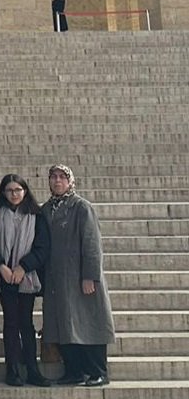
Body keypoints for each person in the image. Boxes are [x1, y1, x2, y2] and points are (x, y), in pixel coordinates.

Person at [42, 164, 115, 387]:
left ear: (70, 180)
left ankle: (97, 371)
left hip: (79, 277)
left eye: (62, 177)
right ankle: (73, 371)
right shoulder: (46, 209)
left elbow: (92, 243)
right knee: (64, 325)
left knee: (89, 323)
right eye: (53, 177)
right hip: (57, 279)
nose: (57, 181)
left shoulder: (81, 207)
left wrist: (90, 276)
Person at [0, 173, 50, 388]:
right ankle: (12, 370)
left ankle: (32, 369)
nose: (14, 194)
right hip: (4, 276)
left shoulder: (36, 215)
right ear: (3, 193)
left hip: (27, 277)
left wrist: (24, 266)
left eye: (18, 190)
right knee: (10, 323)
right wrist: (1, 266)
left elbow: (43, 247)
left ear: (25, 191)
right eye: (9, 190)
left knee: (26, 322)